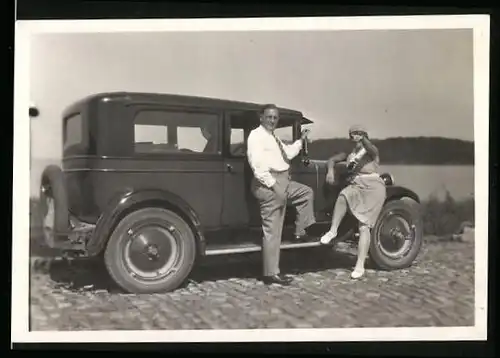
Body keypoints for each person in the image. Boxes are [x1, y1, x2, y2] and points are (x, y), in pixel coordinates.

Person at [247, 104, 316, 286]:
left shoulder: (273, 137)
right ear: (261, 117)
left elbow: (288, 153)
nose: (272, 120)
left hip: (283, 181)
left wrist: (300, 140)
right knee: (272, 231)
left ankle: (300, 232)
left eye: (275, 118)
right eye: (269, 117)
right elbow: (258, 167)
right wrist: (275, 187)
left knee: (306, 193)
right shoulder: (256, 136)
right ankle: (271, 274)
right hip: (268, 183)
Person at [319, 124, 386, 279]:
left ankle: (360, 265)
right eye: (352, 134)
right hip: (357, 185)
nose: (353, 137)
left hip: (373, 188)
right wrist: (330, 170)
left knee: (364, 226)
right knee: (343, 196)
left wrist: (364, 139)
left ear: (363, 135)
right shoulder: (351, 152)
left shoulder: (370, 150)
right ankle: (333, 231)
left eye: (357, 134)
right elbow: (331, 160)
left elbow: (371, 149)